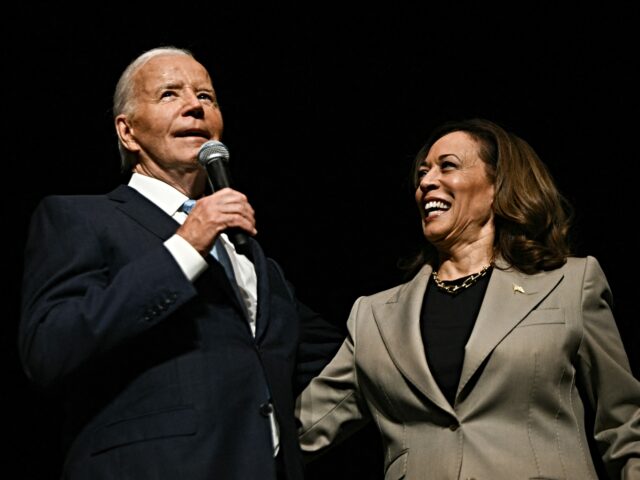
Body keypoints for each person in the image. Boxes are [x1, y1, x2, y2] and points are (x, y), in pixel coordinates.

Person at [19, 46, 342, 480]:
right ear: (128, 132)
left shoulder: (254, 260)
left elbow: (345, 360)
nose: (194, 105)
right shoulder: (79, 218)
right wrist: (186, 246)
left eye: (206, 97)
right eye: (170, 94)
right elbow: (49, 348)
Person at [295, 118, 640, 479]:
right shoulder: (374, 317)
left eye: (448, 166)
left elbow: (625, 424)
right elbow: (299, 431)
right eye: (423, 173)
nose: (426, 182)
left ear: (497, 185)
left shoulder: (570, 284)